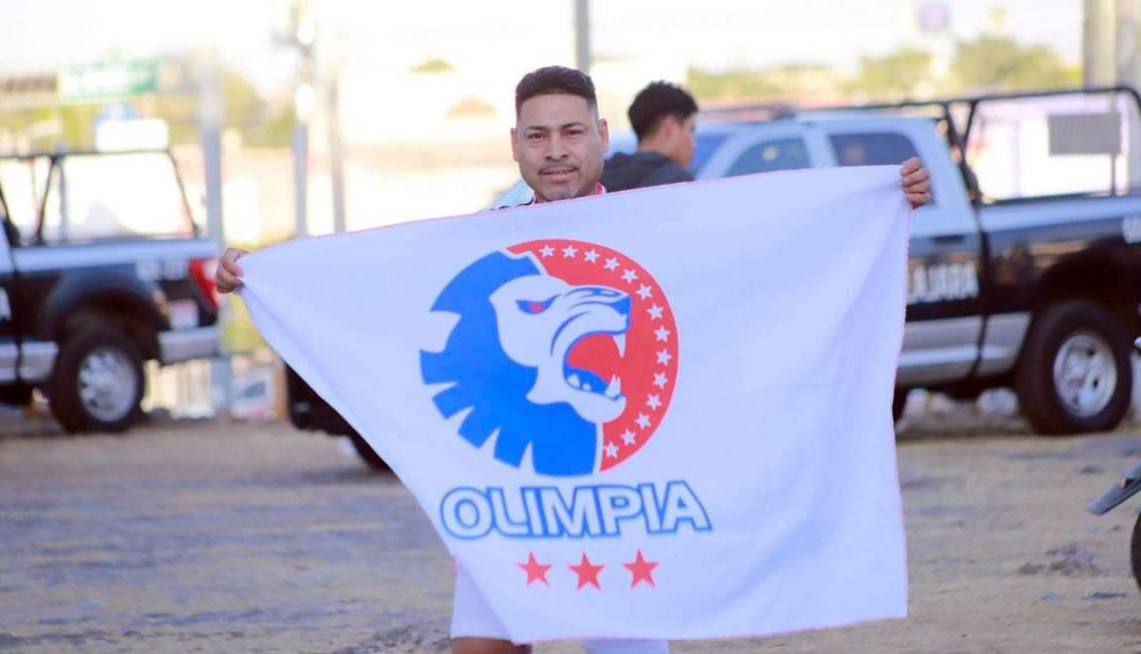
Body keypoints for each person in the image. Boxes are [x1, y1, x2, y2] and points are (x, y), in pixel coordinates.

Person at [214, 65, 933, 654]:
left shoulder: (660, 229)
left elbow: (768, 258)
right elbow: (373, 286)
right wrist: (267, 276)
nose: (555, 149)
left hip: (628, 515)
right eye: (538, 135)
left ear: (601, 136)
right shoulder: (480, 244)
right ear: (515, 146)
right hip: (517, 508)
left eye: (570, 131)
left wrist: (881, 200)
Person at [601, 81, 698, 192]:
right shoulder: (680, 185)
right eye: (691, 130)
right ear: (670, 126)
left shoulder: (597, 181)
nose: (694, 145)